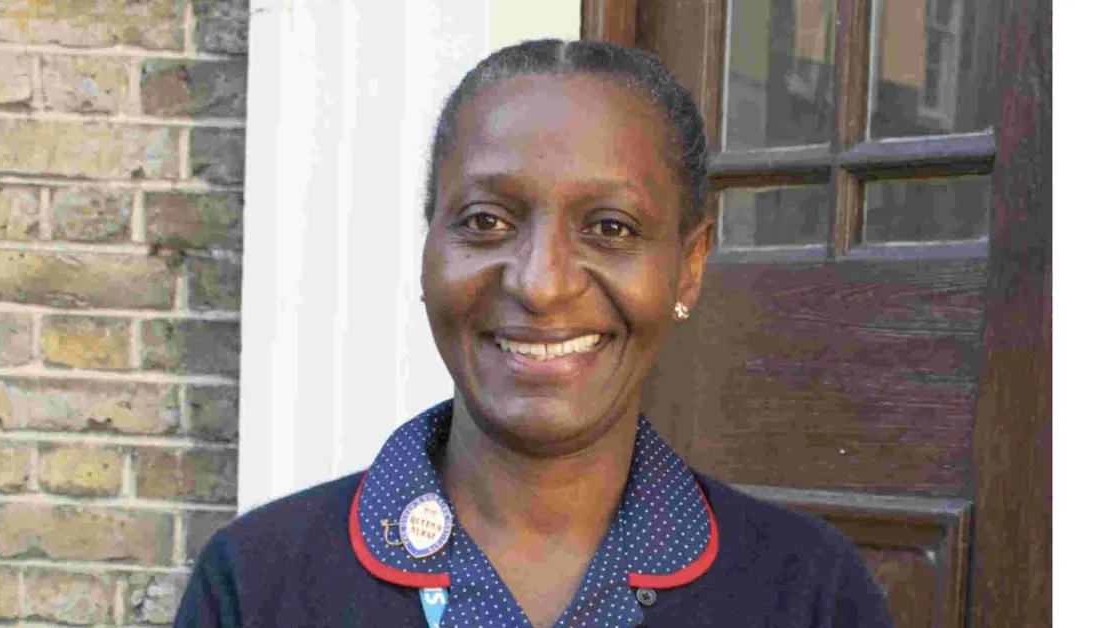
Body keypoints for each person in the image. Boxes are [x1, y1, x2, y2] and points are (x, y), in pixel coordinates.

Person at [174, 39, 892, 627]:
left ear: (689, 265)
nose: (541, 284)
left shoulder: (807, 594)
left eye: (611, 228)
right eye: (487, 221)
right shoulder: (258, 584)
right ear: (429, 246)